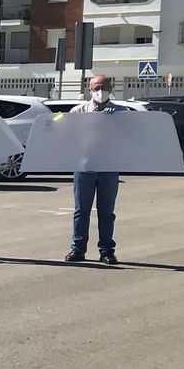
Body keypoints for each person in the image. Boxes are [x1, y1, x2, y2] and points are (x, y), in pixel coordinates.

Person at [67, 74, 126, 265]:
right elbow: (68, 136)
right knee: (81, 211)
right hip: (84, 167)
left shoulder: (121, 112)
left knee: (107, 212)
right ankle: (78, 249)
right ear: (90, 90)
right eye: (97, 88)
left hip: (109, 167)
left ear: (111, 88)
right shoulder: (79, 111)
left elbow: (129, 137)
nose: (101, 91)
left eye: (104, 87)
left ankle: (107, 250)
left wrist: (115, 120)